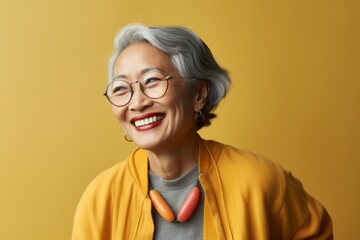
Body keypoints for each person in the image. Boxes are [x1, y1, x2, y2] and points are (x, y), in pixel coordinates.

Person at [72, 24, 333, 240]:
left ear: (198, 94)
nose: (137, 102)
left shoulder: (260, 180)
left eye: (151, 81)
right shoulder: (100, 198)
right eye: (120, 88)